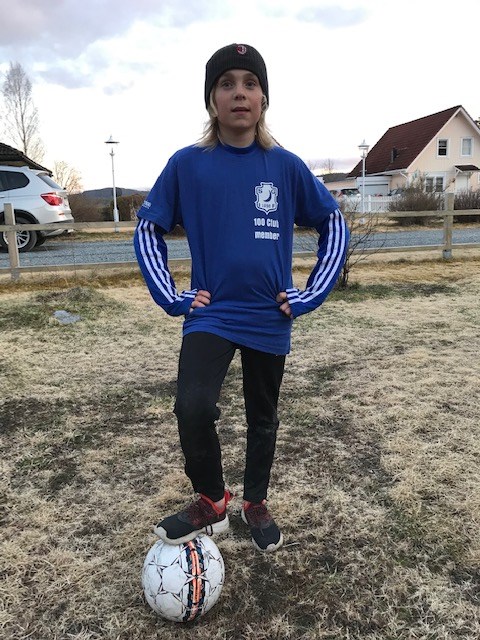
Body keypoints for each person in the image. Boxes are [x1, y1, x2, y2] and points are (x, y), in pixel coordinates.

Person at [134, 43, 349, 553]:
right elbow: (147, 228)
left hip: (269, 316)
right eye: (226, 84)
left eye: (250, 84)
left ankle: (255, 501)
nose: (239, 93)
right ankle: (212, 500)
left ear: (263, 99)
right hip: (212, 313)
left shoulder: (285, 166)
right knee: (192, 406)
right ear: (212, 100)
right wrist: (173, 296)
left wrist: (309, 294)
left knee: (262, 416)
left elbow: (333, 222)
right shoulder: (188, 164)